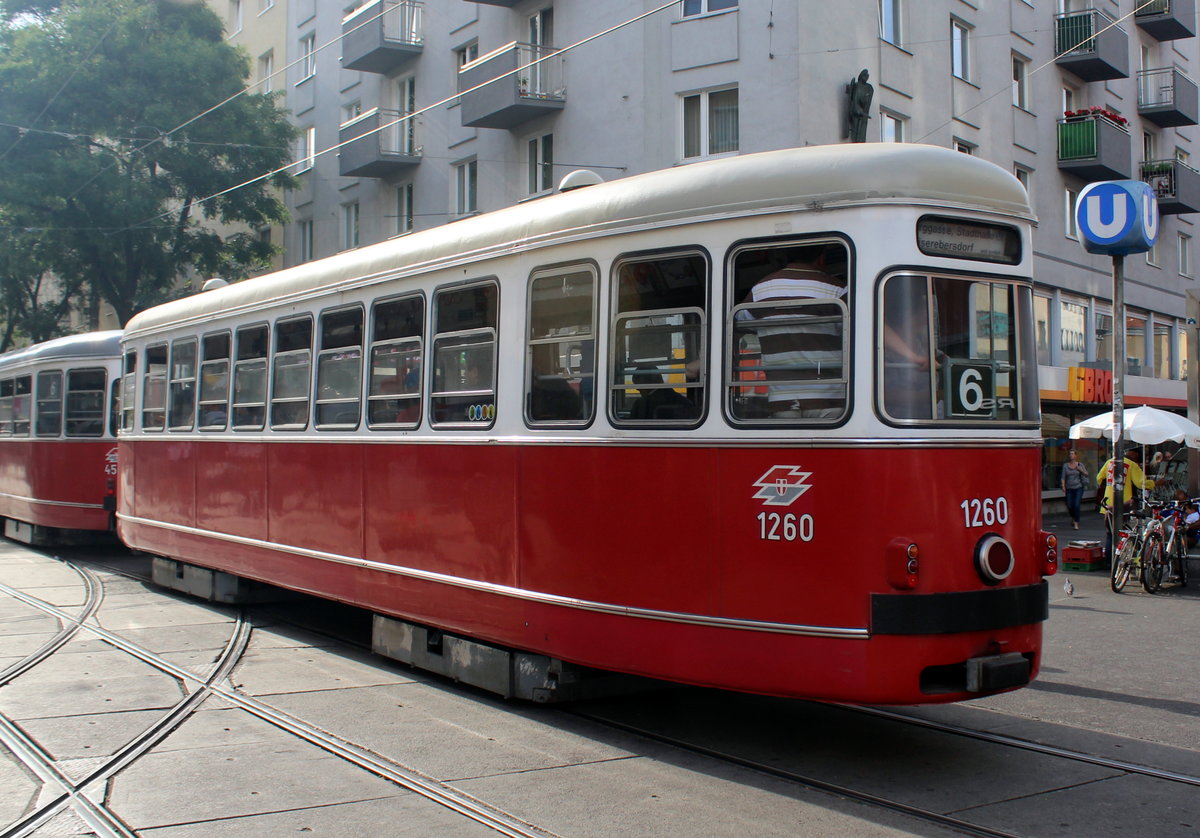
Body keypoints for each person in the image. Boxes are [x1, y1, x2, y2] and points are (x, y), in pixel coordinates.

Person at [735, 248, 846, 419]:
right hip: (829, 397)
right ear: (821, 259)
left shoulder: (761, 290)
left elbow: (736, 325)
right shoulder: (836, 289)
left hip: (782, 400)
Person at [1096, 447, 1155, 561]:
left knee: (1110, 533)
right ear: (1133, 454)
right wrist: (1154, 483)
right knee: (1124, 532)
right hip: (1124, 503)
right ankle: (1120, 560)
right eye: (1137, 456)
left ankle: (1109, 561)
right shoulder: (1131, 465)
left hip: (1108, 503)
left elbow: (1099, 478)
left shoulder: (1109, 462)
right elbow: (1141, 483)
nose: (1138, 459)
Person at [1060, 449, 1088, 530]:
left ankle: (1076, 523)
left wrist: (1080, 470)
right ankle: (1073, 517)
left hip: (1078, 487)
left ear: (1076, 456)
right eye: (1070, 454)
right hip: (1069, 488)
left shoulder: (1080, 464)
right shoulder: (1066, 466)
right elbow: (1063, 477)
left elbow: (1086, 474)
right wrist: (1063, 486)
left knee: (1076, 505)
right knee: (1069, 505)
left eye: (1073, 454)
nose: (1071, 455)